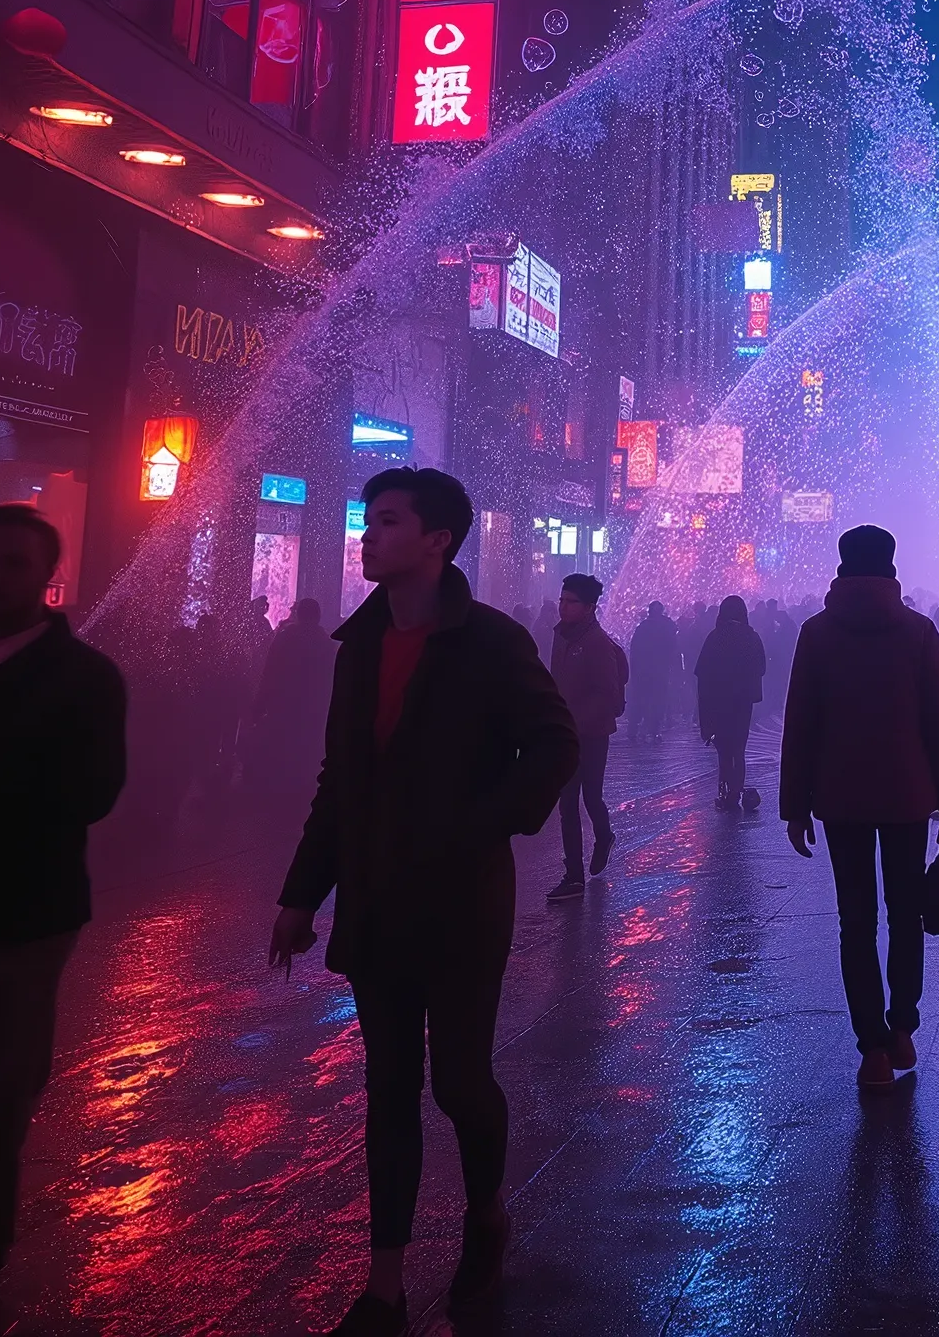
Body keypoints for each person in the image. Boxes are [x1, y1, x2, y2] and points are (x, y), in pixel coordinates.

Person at [271, 467, 577, 1334]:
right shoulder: (359, 645)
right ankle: (386, 1283)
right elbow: (342, 781)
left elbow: (553, 744)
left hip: (461, 901)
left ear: (438, 541)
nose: (369, 535)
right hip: (374, 898)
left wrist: (485, 826)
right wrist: (302, 893)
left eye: (389, 522)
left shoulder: (489, 641)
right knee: (389, 1086)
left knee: (460, 1081)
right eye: (371, 521)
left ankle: (486, 1214)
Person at [781, 525, 939, 1092]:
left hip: (840, 799)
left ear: (842, 566)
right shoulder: (918, 632)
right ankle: (904, 1023)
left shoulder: (816, 635)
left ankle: (872, 1050)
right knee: (906, 913)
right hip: (908, 796)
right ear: (891, 565)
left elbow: (800, 725)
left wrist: (795, 806)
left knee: (855, 921)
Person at [0, 504, 125, 1281]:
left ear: (49, 577)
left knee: (3, 1089)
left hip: (27, 910)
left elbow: (96, 790)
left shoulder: (85, 677)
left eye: (15, 563)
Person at [546, 574, 628, 901]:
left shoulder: (596, 643)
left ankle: (604, 836)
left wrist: (577, 722)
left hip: (592, 735)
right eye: (562, 600)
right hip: (567, 732)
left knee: (591, 796)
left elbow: (607, 691)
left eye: (571, 602)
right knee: (567, 803)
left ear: (590, 607)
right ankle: (574, 876)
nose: (563, 607)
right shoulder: (561, 636)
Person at [242, 596, 332, 810]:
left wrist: (258, 705)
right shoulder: (326, 642)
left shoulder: (286, 638)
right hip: (313, 711)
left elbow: (270, 672)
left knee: (283, 753)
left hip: (284, 707)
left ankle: (277, 803)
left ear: (299, 614)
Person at [694, 596, 766, 811]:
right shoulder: (752, 637)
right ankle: (736, 789)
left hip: (718, 701)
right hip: (742, 702)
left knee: (723, 750)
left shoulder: (714, 638)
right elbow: (761, 668)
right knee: (739, 748)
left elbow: (702, 672)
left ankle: (727, 793)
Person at [628, 601, 680, 742]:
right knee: (659, 699)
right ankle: (655, 728)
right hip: (661, 670)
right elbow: (674, 649)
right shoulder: (668, 627)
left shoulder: (643, 628)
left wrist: (634, 670)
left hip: (643, 670)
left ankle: (637, 726)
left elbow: (634, 651)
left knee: (642, 698)